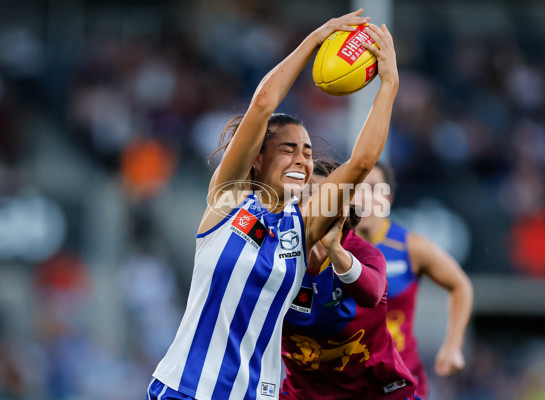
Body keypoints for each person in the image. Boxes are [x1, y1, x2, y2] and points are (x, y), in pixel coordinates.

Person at [147, 10, 401, 400]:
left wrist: (389, 86)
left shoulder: (302, 228)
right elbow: (263, 103)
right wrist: (313, 40)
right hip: (185, 390)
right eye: (288, 149)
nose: (302, 159)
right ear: (258, 159)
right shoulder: (227, 201)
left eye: (308, 152)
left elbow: (362, 163)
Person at [281, 160, 419, 400]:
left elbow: (371, 293)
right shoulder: (277, 255)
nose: (314, 205)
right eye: (307, 196)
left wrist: (334, 248)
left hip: (377, 394)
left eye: (326, 198)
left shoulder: (367, 254)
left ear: (342, 209)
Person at [355, 162, 474, 399]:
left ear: (388, 198)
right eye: (354, 189)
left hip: (401, 381)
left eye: (371, 189)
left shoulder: (410, 247)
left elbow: (461, 285)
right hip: (349, 381)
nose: (362, 198)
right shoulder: (331, 248)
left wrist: (453, 346)